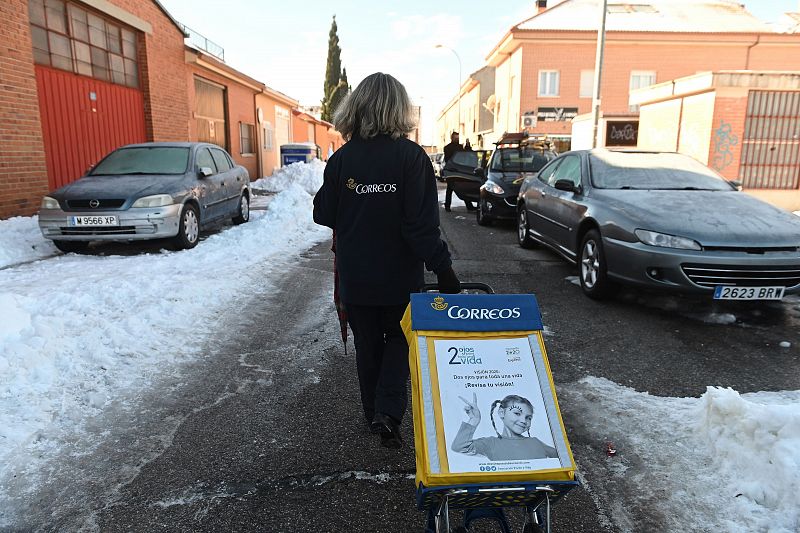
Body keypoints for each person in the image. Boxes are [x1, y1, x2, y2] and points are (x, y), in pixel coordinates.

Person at [313, 73, 461, 449]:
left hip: (356, 275)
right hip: (400, 277)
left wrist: (359, 201)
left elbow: (323, 212)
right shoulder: (412, 159)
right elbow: (420, 228)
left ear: (357, 107)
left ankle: (373, 413)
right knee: (400, 338)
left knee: (368, 343)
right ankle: (389, 412)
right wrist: (444, 271)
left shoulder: (342, 159)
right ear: (399, 109)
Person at [451, 393, 558, 461]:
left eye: (528, 417)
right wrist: (474, 421)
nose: (523, 421)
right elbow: (459, 447)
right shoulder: (490, 443)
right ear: (502, 413)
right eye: (517, 413)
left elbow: (560, 456)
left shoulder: (535, 442)